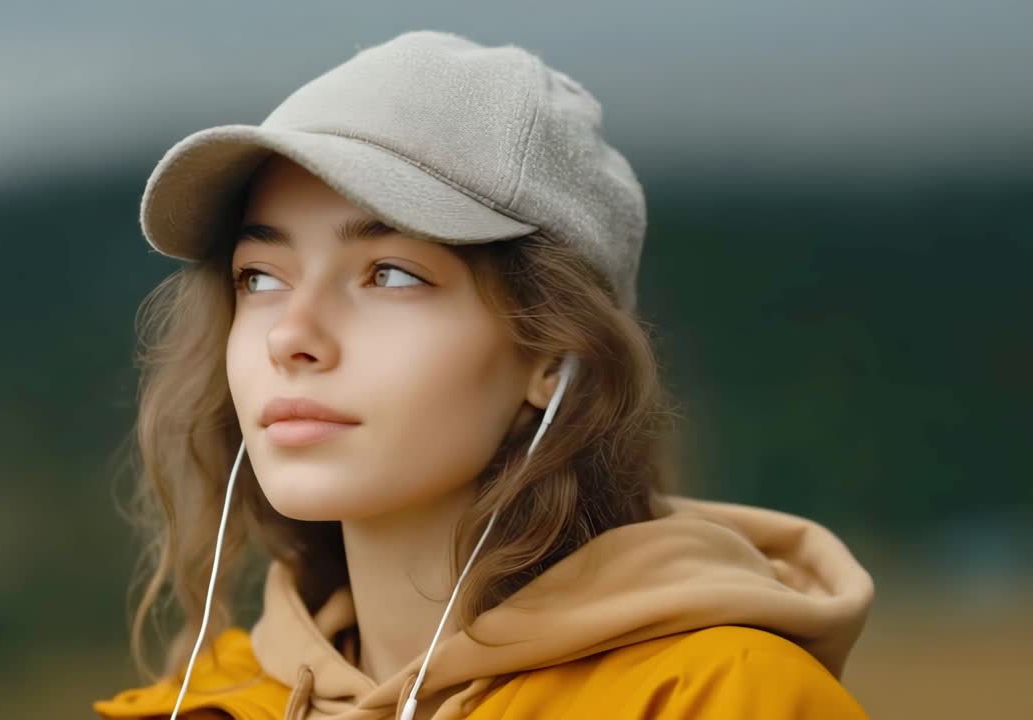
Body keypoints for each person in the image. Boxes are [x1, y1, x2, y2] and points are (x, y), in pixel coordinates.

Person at [92, 30, 874, 720]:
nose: (292, 336)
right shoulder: (199, 707)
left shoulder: (722, 700)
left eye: (390, 274)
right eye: (260, 276)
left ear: (553, 354)